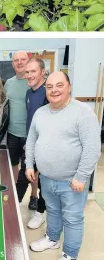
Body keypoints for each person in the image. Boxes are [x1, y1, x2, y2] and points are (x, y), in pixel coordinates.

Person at [27, 71, 101, 260]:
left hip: (72, 182)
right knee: (52, 211)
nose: (54, 90)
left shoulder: (83, 112)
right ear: (46, 90)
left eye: (59, 85)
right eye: (50, 87)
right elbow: (31, 141)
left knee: (72, 219)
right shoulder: (40, 113)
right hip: (46, 178)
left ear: (69, 87)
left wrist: (81, 176)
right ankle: (52, 238)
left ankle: (69, 254)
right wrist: (29, 164)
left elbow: (92, 149)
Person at [16, 58, 48, 228]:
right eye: (27, 72)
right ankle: (11, 208)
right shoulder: (29, 93)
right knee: (23, 178)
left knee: (43, 183)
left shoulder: (48, 93)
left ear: (42, 72)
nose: (29, 75)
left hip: (46, 148)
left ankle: (40, 213)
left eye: (33, 71)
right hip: (30, 144)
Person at [4, 51, 29, 180]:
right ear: (13, 64)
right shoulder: (8, 83)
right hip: (12, 133)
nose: (19, 62)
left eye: (23, 59)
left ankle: (34, 195)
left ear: (28, 61)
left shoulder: (33, 82)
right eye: (16, 60)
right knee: (13, 164)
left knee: (31, 168)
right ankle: (14, 193)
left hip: (30, 134)